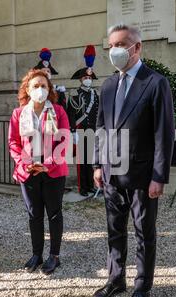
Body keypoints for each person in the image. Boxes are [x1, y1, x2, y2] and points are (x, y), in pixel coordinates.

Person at [93, 24, 175, 297]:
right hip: (111, 173)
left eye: (121, 44)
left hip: (142, 176)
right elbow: (101, 127)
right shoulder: (108, 85)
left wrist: (159, 176)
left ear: (137, 47)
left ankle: (143, 286)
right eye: (111, 45)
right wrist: (96, 164)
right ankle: (116, 280)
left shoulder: (155, 83)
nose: (114, 50)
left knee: (143, 233)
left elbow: (163, 134)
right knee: (114, 231)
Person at [8, 69, 70, 274]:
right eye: (36, 86)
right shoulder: (19, 113)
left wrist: (48, 163)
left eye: (44, 86)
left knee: (54, 214)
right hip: (29, 173)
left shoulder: (58, 111)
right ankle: (37, 254)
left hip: (53, 172)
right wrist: (25, 163)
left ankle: (54, 255)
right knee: (34, 215)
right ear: (27, 88)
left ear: (49, 89)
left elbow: (64, 140)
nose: (40, 89)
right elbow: (14, 143)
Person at [67, 45, 100, 197]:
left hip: (92, 129)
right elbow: (71, 114)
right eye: (85, 78)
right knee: (82, 162)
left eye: (89, 78)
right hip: (80, 130)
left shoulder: (95, 95)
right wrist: (73, 131)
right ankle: (82, 188)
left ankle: (91, 185)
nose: (88, 80)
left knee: (91, 160)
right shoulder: (75, 95)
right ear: (81, 79)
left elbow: (99, 112)